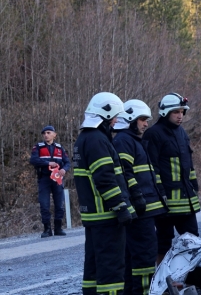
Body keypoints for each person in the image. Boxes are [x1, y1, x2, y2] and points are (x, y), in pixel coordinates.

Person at [73, 92, 136, 295]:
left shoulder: (84, 138)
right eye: (115, 116)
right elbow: (106, 178)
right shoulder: (97, 140)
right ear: (105, 115)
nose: (116, 121)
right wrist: (121, 207)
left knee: (93, 271)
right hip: (107, 216)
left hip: (94, 217)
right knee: (111, 271)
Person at [113, 99, 168, 295]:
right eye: (143, 119)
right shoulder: (124, 140)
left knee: (135, 256)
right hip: (139, 213)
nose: (146, 124)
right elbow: (126, 173)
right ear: (129, 119)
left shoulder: (132, 140)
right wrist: (138, 199)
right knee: (144, 257)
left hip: (143, 211)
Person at [143, 92, 200, 265]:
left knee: (192, 240)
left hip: (186, 201)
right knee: (163, 242)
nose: (180, 116)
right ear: (165, 113)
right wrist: (160, 193)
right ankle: (161, 279)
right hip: (165, 203)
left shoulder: (181, 133)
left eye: (182, 112)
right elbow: (152, 167)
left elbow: (187, 163)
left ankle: (190, 276)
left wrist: (193, 185)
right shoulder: (153, 134)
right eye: (176, 112)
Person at [29, 125, 71, 238]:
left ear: (54, 135)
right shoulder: (38, 147)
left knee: (59, 204)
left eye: (48, 133)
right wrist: (48, 163)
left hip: (57, 179)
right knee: (44, 204)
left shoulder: (59, 147)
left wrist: (64, 169)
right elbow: (33, 160)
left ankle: (58, 228)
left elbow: (67, 162)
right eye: (44, 133)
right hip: (44, 178)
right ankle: (47, 229)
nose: (46, 135)